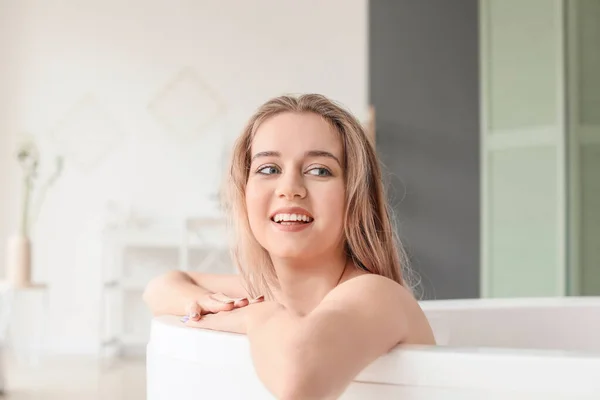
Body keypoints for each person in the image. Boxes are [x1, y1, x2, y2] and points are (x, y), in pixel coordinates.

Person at [143, 93, 435, 399]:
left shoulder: (378, 294)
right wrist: (205, 303)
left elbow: (297, 376)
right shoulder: (268, 290)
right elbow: (162, 286)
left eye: (319, 170)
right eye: (269, 169)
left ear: (354, 196)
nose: (290, 189)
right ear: (244, 191)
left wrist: (258, 316)